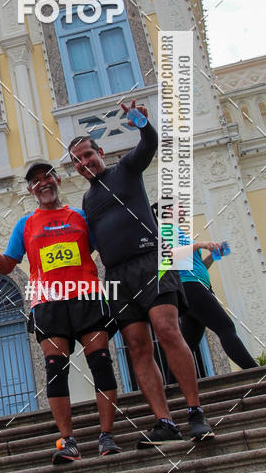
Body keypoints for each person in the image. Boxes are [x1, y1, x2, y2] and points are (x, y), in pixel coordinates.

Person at [68, 100, 214, 446]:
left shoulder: (126, 169)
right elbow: (89, 243)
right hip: (117, 276)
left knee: (166, 330)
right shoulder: (87, 201)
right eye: (77, 161)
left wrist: (142, 125)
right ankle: (164, 420)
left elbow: (149, 145)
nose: (85, 163)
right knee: (136, 346)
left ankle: (195, 413)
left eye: (88, 155)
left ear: (99, 152)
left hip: (152, 262)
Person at [0, 162, 121, 464]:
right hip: (47, 302)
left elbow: (104, 247)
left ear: (57, 180)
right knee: (55, 369)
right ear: (30, 190)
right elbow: (6, 266)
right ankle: (68, 442)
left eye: (47, 177)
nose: (43, 184)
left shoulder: (80, 217)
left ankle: (106, 435)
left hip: (87, 297)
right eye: (35, 181)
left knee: (102, 364)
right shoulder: (26, 224)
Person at [166, 215, 258, 372]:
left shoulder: (181, 233)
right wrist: (201, 244)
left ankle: (170, 385)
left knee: (187, 345)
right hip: (189, 286)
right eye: (178, 206)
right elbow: (170, 254)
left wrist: (215, 255)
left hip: (196, 285)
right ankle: (256, 373)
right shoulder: (165, 229)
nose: (183, 209)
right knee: (226, 327)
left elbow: (198, 266)